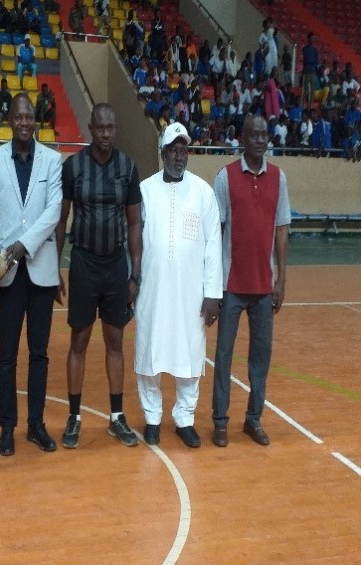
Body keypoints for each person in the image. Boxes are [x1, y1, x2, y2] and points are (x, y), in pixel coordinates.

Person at [55, 103, 142, 449]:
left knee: (115, 341)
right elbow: (61, 220)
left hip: (116, 265)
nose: (106, 134)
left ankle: (116, 417)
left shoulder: (127, 167)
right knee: (79, 341)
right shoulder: (74, 167)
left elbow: (134, 222)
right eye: (101, 128)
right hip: (84, 264)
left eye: (111, 128)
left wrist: (135, 273)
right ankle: (74, 417)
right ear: (91, 129)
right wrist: (54, 268)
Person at [0, 94, 63, 456]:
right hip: (10, 274)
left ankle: (36, 425)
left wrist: (21, 245)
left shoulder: (53, 160)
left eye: (30, 116)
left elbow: (53, 213)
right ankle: (7, 427)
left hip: (41, 271)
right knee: (7, 354)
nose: (25, 122)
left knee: (40, 353)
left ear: (36, 120)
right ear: (10, 119)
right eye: (19, 116)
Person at [135, 123, 222, 447]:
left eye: (183, 150)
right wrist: (133, 281)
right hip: (152, 291)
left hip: (191, 293)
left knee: (189, 354)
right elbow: (135, 241)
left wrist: (213, 294)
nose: (178, 156)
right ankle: (152, 417)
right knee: (149, 352)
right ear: (163, 153)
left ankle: (185, 418)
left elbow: (214, 244)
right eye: (173, 149)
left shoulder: (203, 193)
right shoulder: (144, 190)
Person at [212, 115, 291, 448]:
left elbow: (281, 228)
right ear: (242, 138)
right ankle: (219, 421)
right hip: (231, 285)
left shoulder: (279, 178)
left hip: (264, 287)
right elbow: (215, 234)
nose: (259, 139)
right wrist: (213, 285)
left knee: (261, 356)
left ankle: (253, 419)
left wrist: (281, 278)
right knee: (224, 355)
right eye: (253, 134)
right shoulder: (225, 177)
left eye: (263, 134)